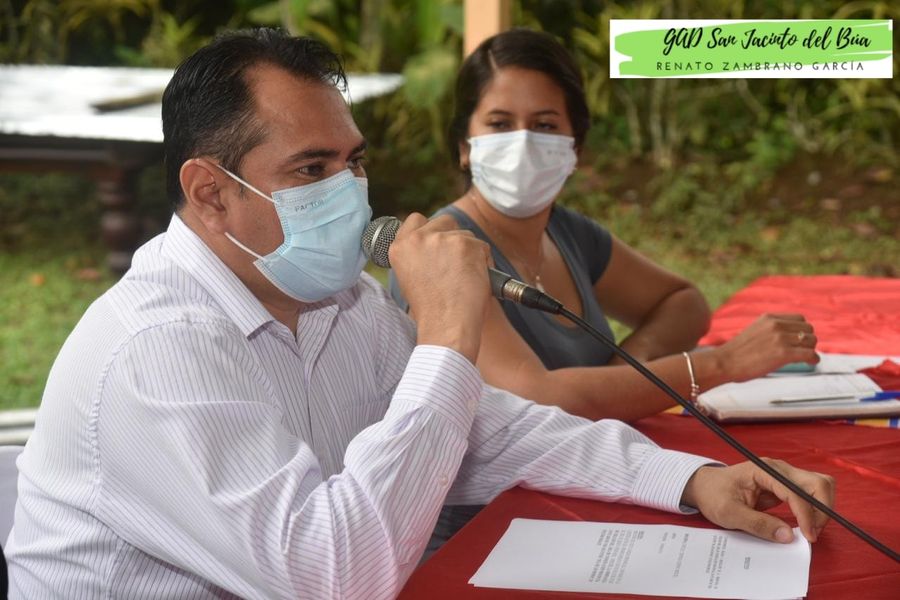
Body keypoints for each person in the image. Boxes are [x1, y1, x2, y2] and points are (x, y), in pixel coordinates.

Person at [6, 28, 833, 599]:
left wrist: (690, 479)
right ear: (211, 194)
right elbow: (334, 578)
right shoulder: (158, 349)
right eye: (311, 170)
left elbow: (491, 427)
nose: (349, 191)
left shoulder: (335, 301)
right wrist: (447, 334)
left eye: (353, 161)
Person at [389, 28, 821, 424]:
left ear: (574, 147)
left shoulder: (567, 233)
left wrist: (630, 365)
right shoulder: (442, 250)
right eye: (500, 124)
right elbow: (539, 399)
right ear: (464, 146)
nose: (522, 142)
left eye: (544, 125)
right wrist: (721, 364)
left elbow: (683, 303)